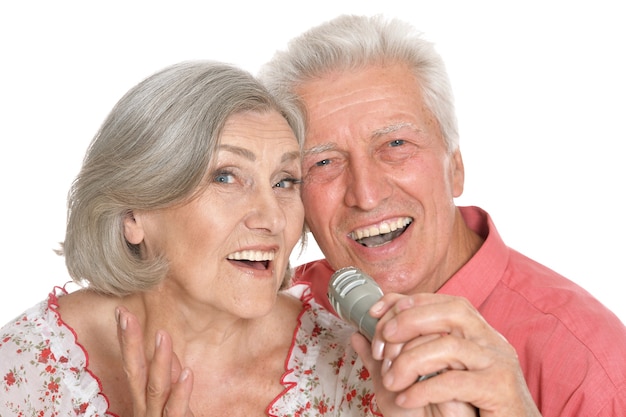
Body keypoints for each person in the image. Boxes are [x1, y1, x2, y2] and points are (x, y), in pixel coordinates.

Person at [258, 13, 626, 416]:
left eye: (396, 143)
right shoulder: (275, 310)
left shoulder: (590, 365)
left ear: (455, 167)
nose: (366, 194)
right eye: (324, 162)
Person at [0, 61, 387, 416]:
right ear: (134, 213)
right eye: (225, 177)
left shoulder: (355, 370)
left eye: (284, 181)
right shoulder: (25, 368)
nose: (272, 218)